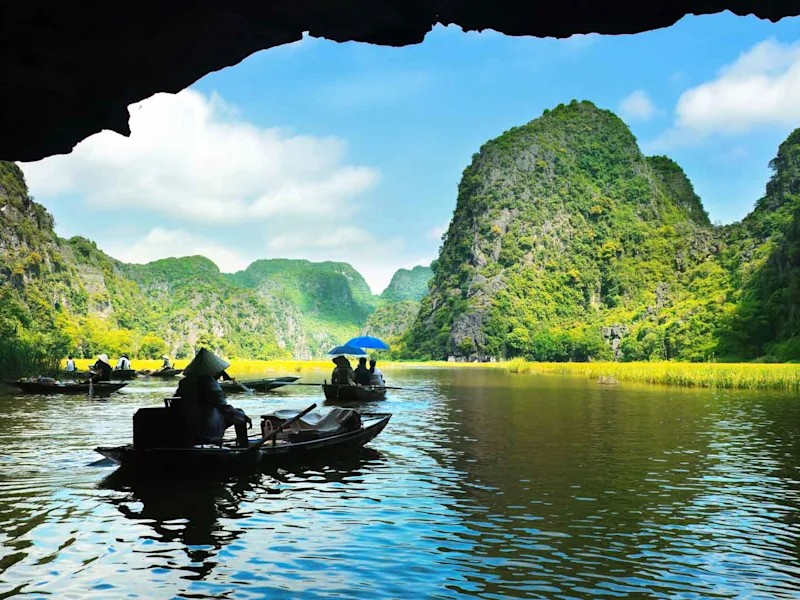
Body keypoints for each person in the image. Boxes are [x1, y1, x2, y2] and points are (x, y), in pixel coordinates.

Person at [174, 348, 252, 447]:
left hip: (188, 425)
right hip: (207, 426)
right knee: (240, 414)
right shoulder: (210, 384)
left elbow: (177, 399)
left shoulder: (184, 382)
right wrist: (244, 418)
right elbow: (223, 408)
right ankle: (243, 446)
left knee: (237, 413)